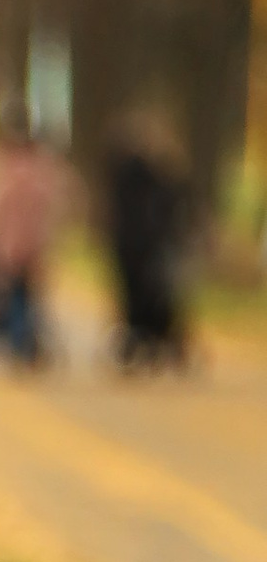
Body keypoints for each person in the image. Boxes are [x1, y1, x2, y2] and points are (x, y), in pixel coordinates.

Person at [0, 93, 72, 365]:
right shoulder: (42, 165)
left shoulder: (1, 164)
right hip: (30, 246)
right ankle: (24, 342)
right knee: (23, 297)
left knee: (18, 296)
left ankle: (22, 342)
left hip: (12, 246)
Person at [103, 110, 194, 368]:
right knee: (149, 294)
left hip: (138, 244)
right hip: (144, 244)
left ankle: (145, 339)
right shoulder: (150, 174)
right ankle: (147, 339)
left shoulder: (139, 174)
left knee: (147, 295)